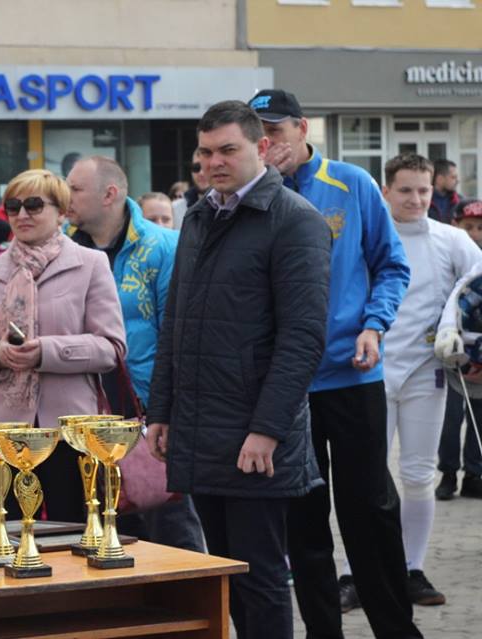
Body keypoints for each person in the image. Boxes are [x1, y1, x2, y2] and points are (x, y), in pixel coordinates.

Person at [145, 100, 331, 639]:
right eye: (205, 152)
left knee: (262, 578)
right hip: (201, 430)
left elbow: (302, 339)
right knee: (225, 574)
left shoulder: (296, 220)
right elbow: (176, 323)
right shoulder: (200, 216)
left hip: (256, 436)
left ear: (263, 148)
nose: (214, 162)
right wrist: (162, 411)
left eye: (228, 149)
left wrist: (267, 430)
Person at [250, 88, 422, 639]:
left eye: (275, 130)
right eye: (258, 132)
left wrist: (374, 324)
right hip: (285, 385)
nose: (267, 142)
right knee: (303, 521)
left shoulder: (351, 183)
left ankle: (396, 629)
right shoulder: (252, 196)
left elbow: (391, 265)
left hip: (352, 373)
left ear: (302, 129)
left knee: (370, 510)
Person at [336, 153, 480, 609]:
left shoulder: (452, 240)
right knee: (364, 477)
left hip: (425, 372)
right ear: (385, 191)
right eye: (405, 190)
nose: (416, 199)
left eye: (423, 190)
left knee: (418, 475)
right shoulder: (364, 237)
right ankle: (355, 573)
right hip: (367, 373)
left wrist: (465, 336)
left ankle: (410, 570)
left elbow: (478, 287)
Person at [0, 168, 126, 523]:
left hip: (69, 432)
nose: (22, 214)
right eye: (13, 206)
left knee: (74, 534)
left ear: (61, 212)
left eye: (34, 205)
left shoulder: (90, 264)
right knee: (7, 536)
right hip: (3, 431)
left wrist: (46, 352)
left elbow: (111, 348)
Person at [65, 156, 203, 552]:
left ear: (109, 194)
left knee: (169, 528)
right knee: (103, 533)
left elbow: (177, 338)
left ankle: (191, 593)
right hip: (82, 413)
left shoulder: (163, 247)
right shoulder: (61, 247)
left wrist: (166, 411)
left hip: (145, 411)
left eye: (75, 189)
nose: (65, 197)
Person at [437, 199, 482, 502]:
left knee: (480, 418)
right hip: (451, 354)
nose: (475, 233)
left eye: (480, 228)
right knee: (450, 417)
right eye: (469, 227)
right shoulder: (447, 258)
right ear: (455, 226)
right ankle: (448, 473)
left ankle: (474, 474)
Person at [429, 160, 461, 224]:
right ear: (440, 179)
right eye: (453, 177)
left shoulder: (460, 201)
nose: (458, 181)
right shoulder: (423, 202)